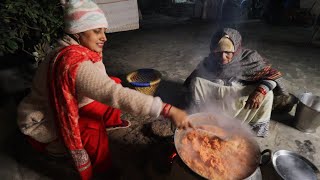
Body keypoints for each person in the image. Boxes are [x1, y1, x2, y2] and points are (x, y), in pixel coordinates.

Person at [17, 0, 192, 179]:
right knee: (93, 127)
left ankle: (110, 122)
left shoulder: (77, 49)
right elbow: (112, 94)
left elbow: (104, 84)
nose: (104, 37)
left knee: (114, 81)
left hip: (67, 103)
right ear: (78, 32)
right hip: (45, 120)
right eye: (97, 31)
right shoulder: (74, 63)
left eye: (104, 31)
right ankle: (100, 169)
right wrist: (167, 110)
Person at [184, 28, 292, 137]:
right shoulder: (211, 59)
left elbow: (273, 75)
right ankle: (206, 117)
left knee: (268, 94)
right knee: (196, 83)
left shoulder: (250, 57)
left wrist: (260, 91)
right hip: (222, 97)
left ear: (236, 50)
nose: (223, 57)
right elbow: (196, 75)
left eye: (228, 53)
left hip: (243, 99)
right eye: (218, 53)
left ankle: (248, 126)